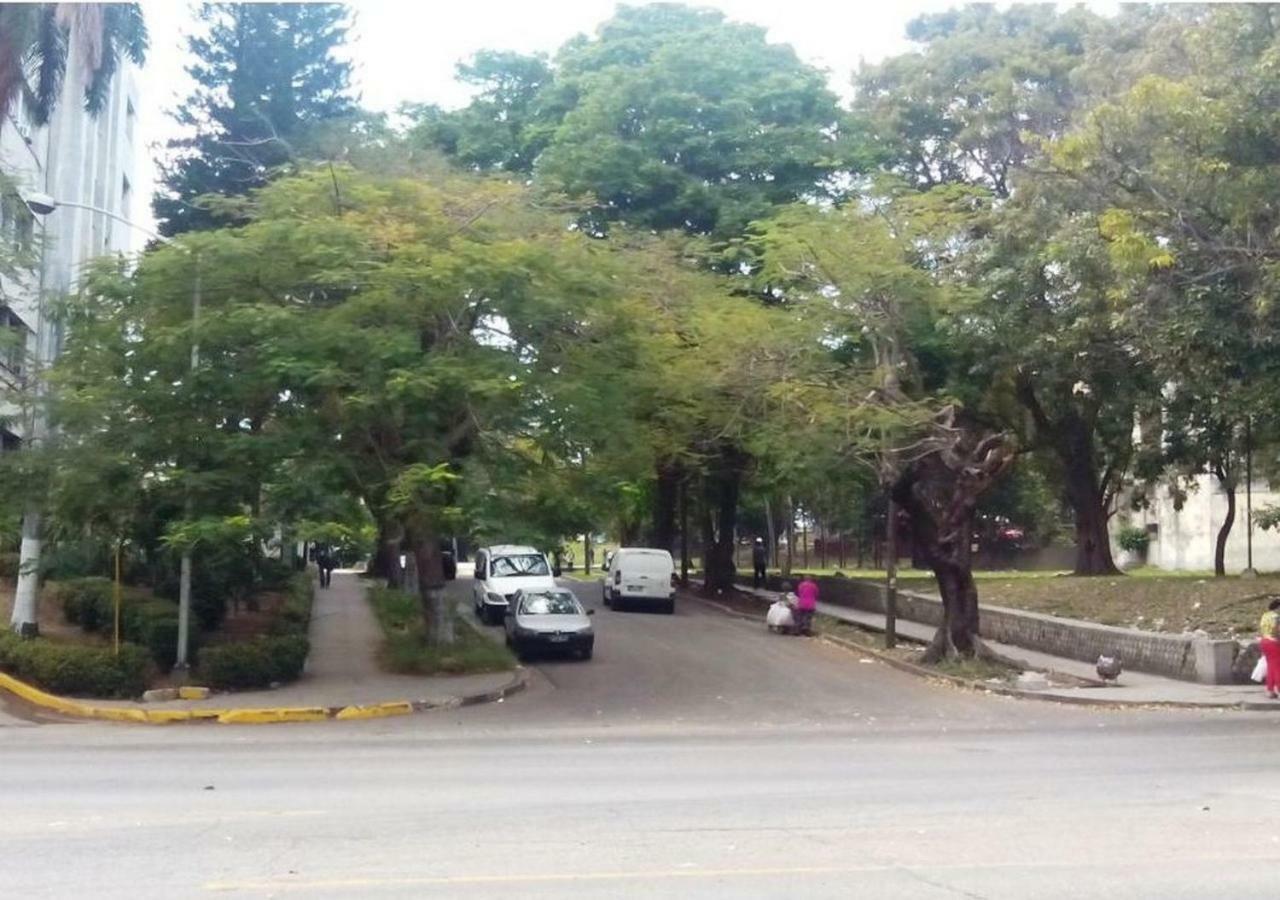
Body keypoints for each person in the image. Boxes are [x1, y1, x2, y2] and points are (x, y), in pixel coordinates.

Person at [1260, 599, 1280, 699]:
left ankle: (1270, 690)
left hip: (1264, 641)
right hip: (1274, 642)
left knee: (1271, 667)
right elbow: (1277, 630)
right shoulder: (1276, 617)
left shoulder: (1265, 615)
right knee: (1277, 668)